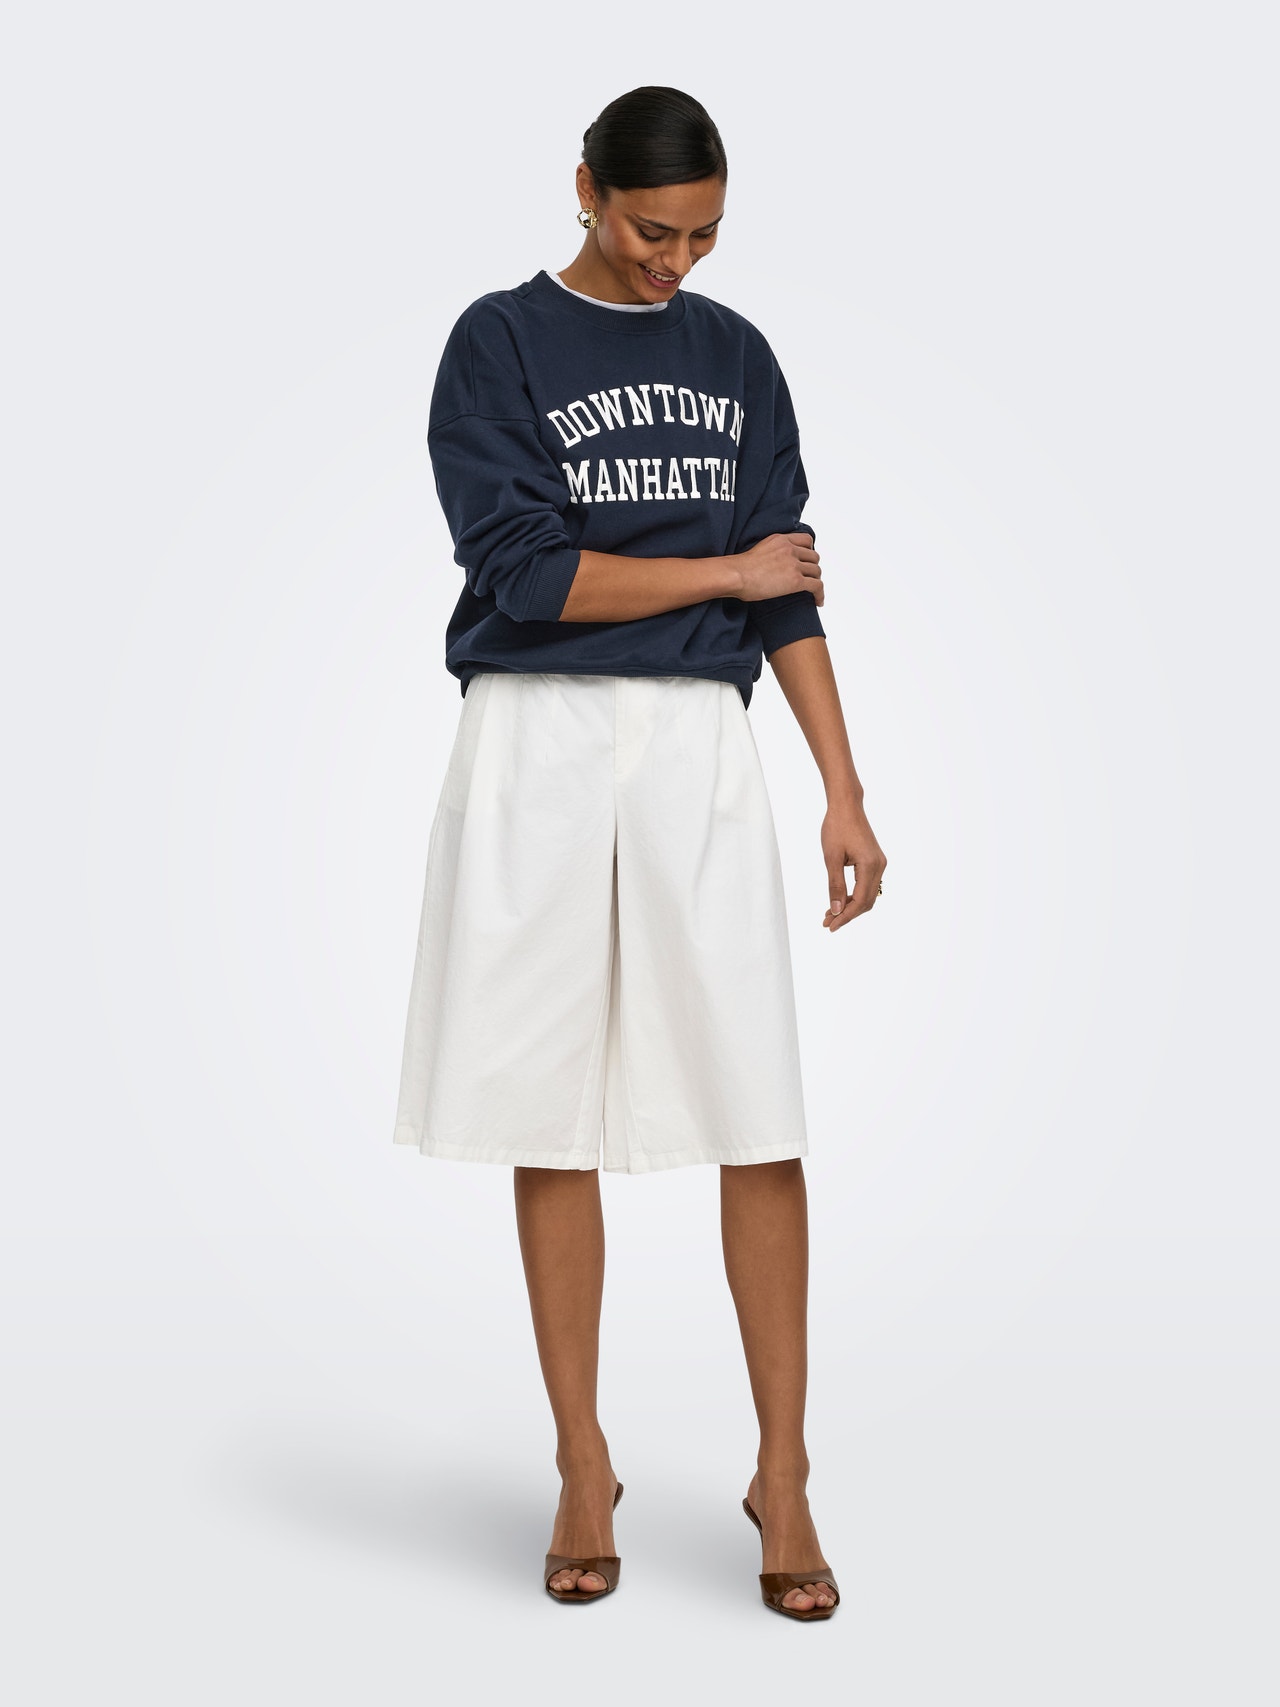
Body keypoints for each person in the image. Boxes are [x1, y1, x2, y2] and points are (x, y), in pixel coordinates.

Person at [391, 85, 887, 1621]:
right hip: (534, 740)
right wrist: (723, 568)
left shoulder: (737, 358)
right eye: (652, 229)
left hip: (694, 744)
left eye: (706, 235)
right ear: (588, 189)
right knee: (550, 1108)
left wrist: (844, 787)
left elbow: (787, 585)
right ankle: (582, 1461)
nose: (677, 260)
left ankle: (783, 1473)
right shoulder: (500, 342)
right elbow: (526, 578)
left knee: (756, 1103)